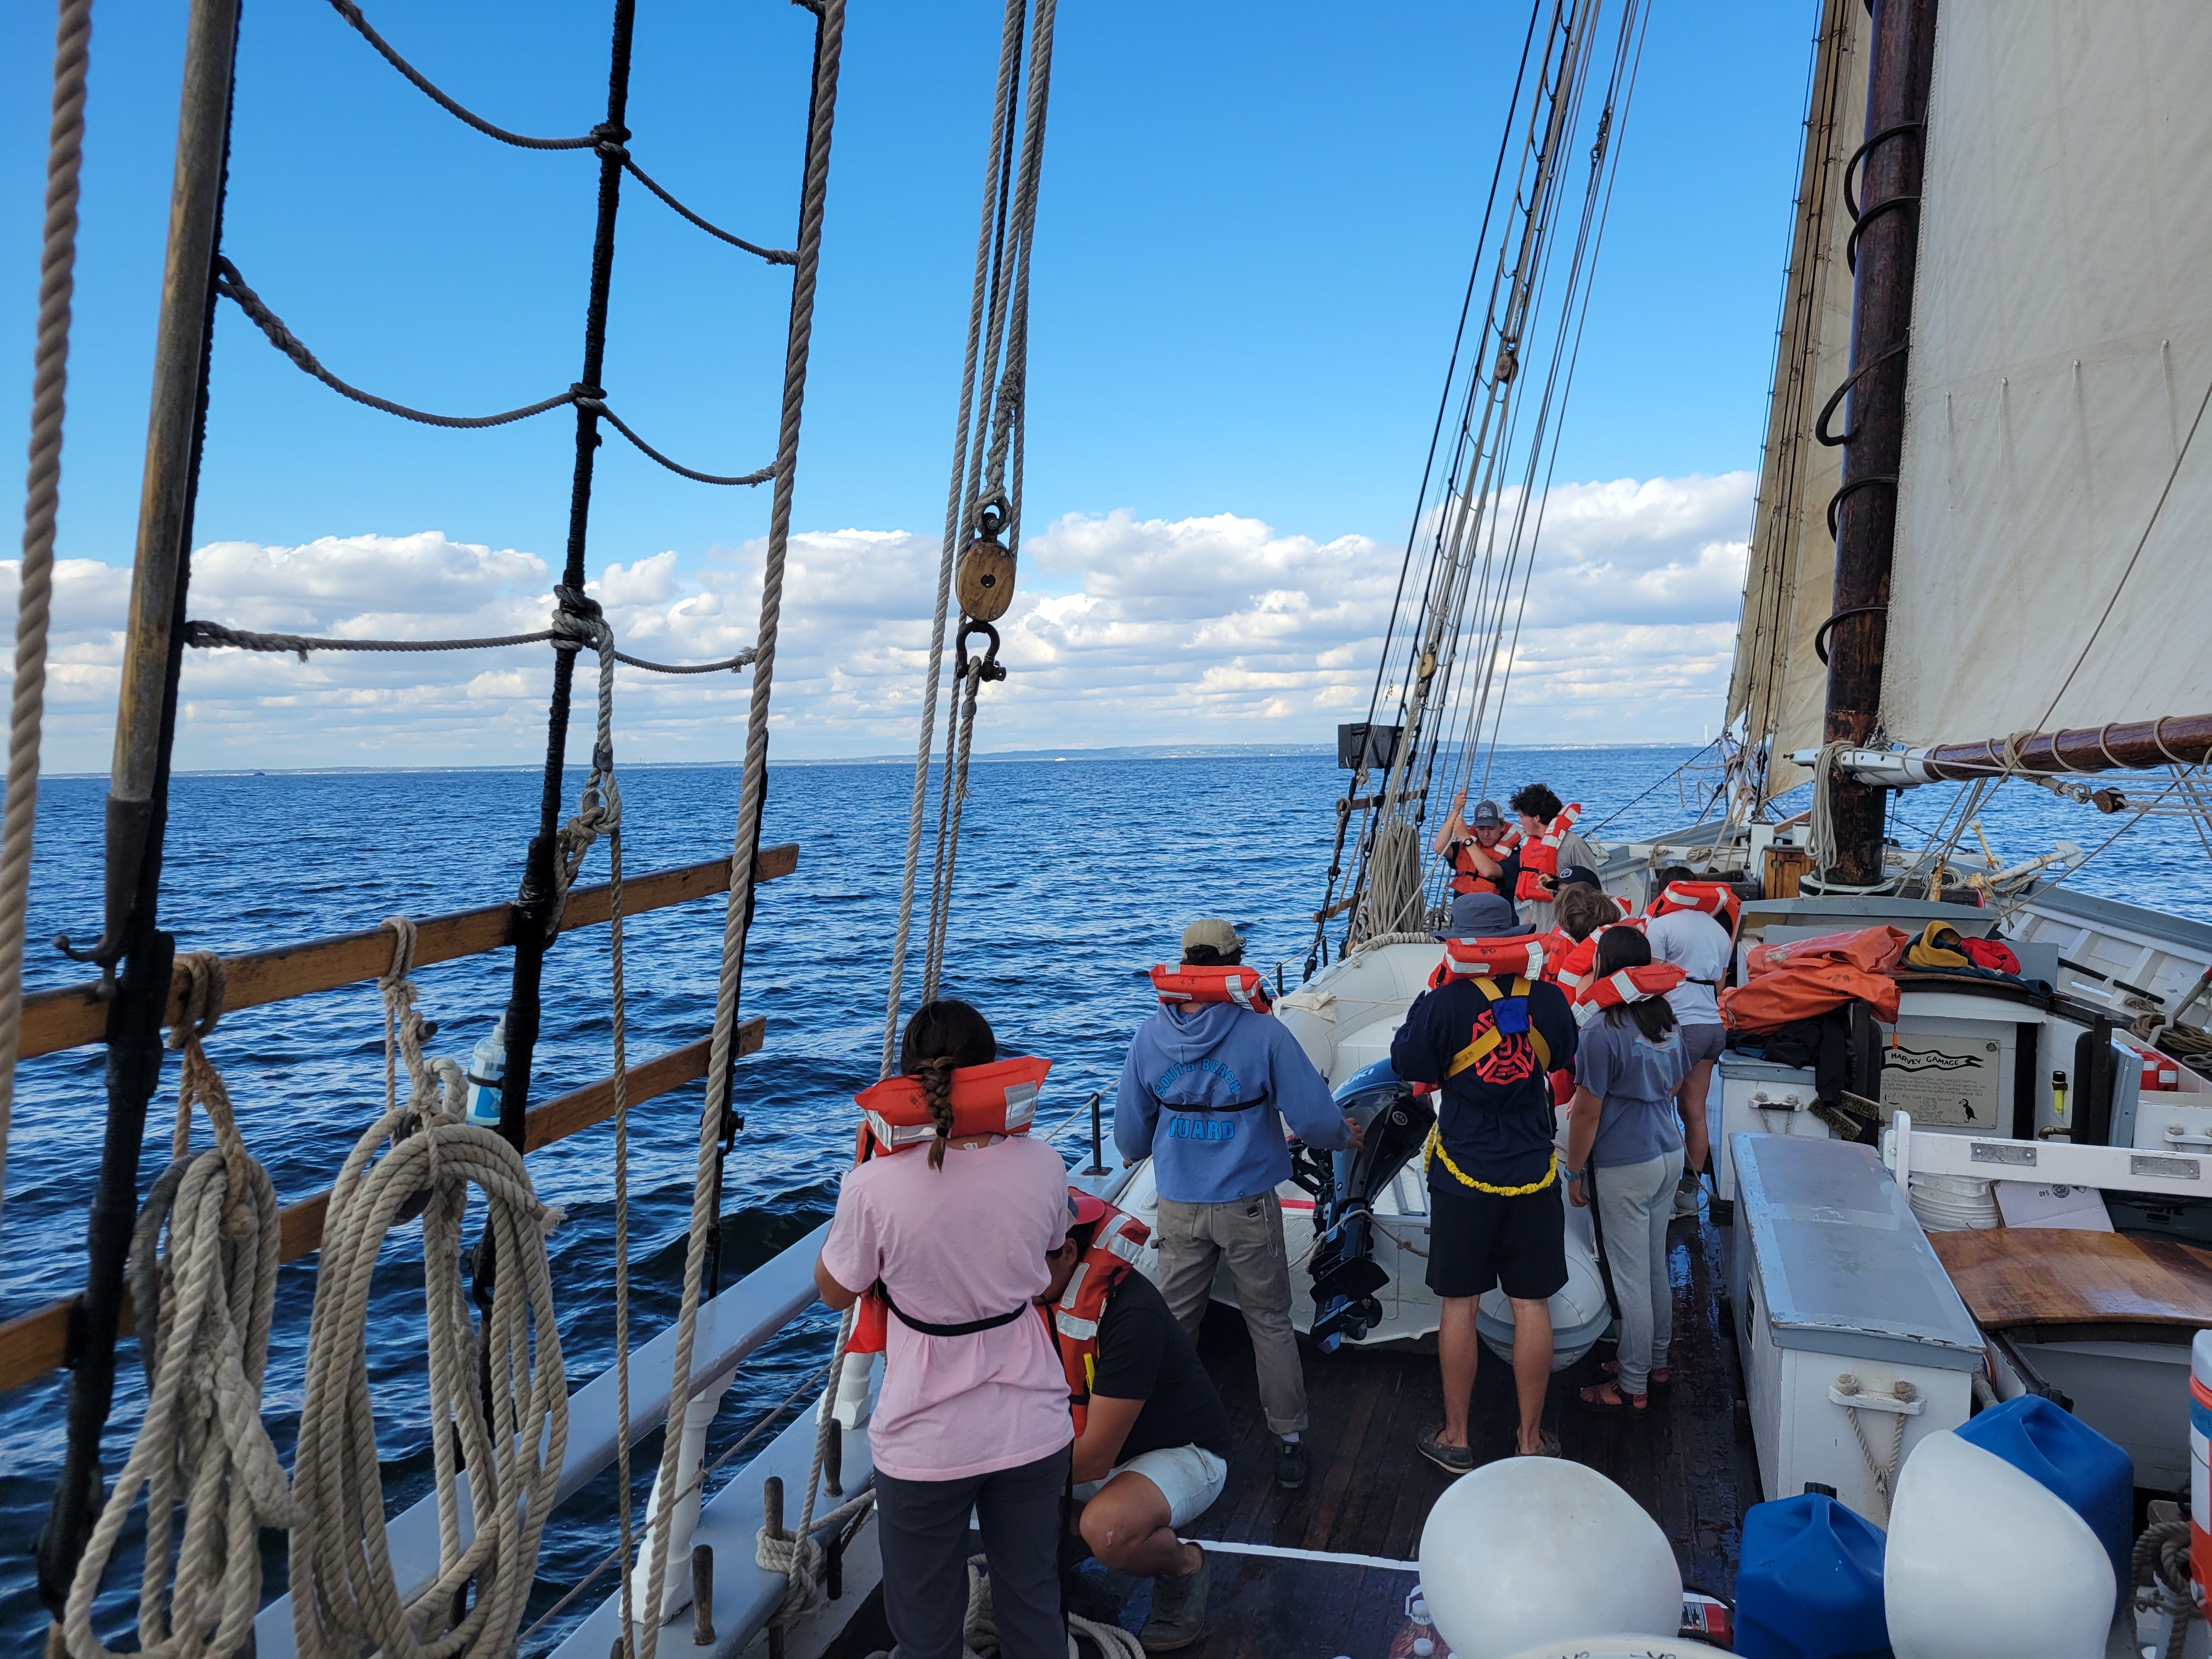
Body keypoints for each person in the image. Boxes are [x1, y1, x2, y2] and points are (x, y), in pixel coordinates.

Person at [815, 1001, 1074, 1659]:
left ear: (908, 1081)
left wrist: (864, 1178)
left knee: (925, 1630)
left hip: (925, 1438)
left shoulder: (872, 1186)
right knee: (1033, 1602)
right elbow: (1048, 1264)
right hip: (1032, 1422)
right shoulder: (1043, 1164)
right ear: (991, 1072)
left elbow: (833, 1289)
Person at [1115, 917, 1358, 1492]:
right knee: (1270, 1322)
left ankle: (1165, 1436)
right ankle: (1290, 1442)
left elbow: (1128, 1140)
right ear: (1235, 963)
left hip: (1177, 1202)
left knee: (1176, 1324)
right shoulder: (1264, 1034)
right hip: (1248, 1202)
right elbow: (1315, 1120)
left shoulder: (1150, 1036)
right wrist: (1347, 1135)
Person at [1389, 890, 1578, 1467]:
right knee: (1531, 1305)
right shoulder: (1548, 1001)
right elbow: (1564, 1053)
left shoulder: (1442, 1005)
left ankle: (1457, 1436)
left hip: (1464, 1172)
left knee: (1459, 1305)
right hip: (1532, 1171)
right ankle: (1530, 1439)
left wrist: (1428, 998)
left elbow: (1407, 1063)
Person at [1045, 1193, 1232, 1652]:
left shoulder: (1130, 1315)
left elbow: (1092, 1459)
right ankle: (1054, 1552)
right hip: (1087, 1452)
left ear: (1068, 1253)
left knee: (1107, 1529)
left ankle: (1184, 1566)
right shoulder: (1025, 1299)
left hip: (1181, 1452)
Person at [1565, 928, 1691, 1416]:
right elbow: (1676, 1082)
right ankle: (1655, 1362)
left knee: (1631, 1277)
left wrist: (1576, 1172)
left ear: (1605, 967)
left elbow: (1586, 1113)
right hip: (1668, 1152)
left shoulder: (1600, 1031)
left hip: (1625, 1164)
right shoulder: (1666, 1021)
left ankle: (1633, 1382)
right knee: (1655, 1266)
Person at [1643, 865, 1732, 1217]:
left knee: (1656, 1106)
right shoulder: (1719, 930)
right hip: (1712, 1029)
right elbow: (1721, 987)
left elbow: (1651, 979)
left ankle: (1656, 1188)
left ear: (1664, 893)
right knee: (1694, 1112)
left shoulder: (1662, 925)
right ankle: (1689, 1194)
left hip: (1681, 1028)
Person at [1508, 783, 1601, 932]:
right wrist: (1531, 918)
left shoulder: (1573, 845)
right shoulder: (1531, 846)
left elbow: (1594, 891)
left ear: (1536, 818)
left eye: (1521, 816)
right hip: (1540, 929)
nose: (1519, 821)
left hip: (1567, 931)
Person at [1431, 790, 1520, 897]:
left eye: (1491, 828)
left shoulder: (1515, 854)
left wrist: (1465, 838)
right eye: (1481, 829)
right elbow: (1439, 848)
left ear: (1502, 826)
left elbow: (1489, 871)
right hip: (1464, 908)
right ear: (1476, 828)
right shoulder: (1466, 847)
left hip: (1494, 910)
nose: (1486, 834)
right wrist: (1456, 811)